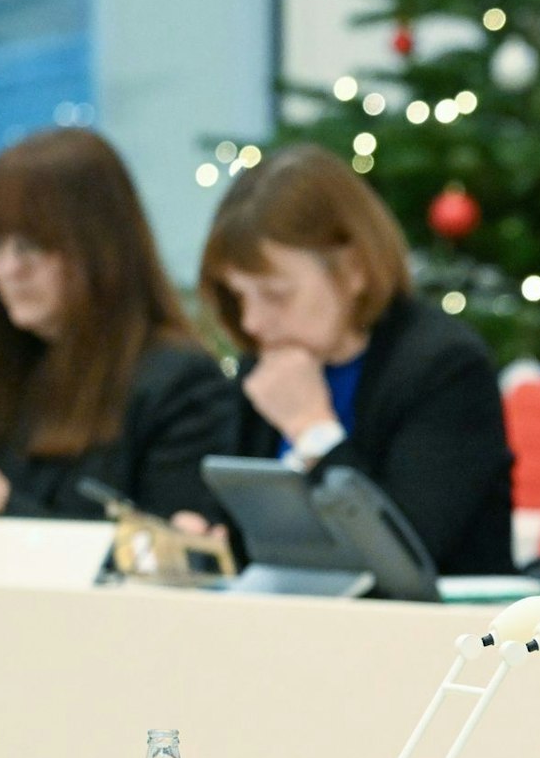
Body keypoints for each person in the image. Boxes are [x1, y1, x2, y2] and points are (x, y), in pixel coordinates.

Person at [198, 144, 516, 575]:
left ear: (353, 270)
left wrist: (312, 430)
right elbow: (245, 538)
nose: (252, 322)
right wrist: (202, 538)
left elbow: (406, 556)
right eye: (240, 296)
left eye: (275, 295)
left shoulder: (446, 368)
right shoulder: (265, 366)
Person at [0, 128, 233, 522]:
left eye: (31, 245)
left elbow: (175, 551)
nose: (9, 268)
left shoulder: (179, 383)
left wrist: (3, 505)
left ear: (101, 247)